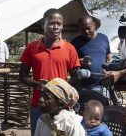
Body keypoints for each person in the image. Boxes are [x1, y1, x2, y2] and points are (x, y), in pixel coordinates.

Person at [19, 8, 80, 136]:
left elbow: (76, 77)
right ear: (43, 25)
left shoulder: (69, 48)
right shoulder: (32, 47)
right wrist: (38, 85)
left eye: (59, 23)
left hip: (61, 108)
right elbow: (22, 76)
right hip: (38, 105)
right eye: (52, 23)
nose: (56, 27)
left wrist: (59, 88)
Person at [71, 15, 111, 96]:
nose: (86, 31)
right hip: (84, 87)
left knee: (105, 108)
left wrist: (108, 67)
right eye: (83, 29)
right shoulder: (75, 42)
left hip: (103, 86)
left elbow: (108, 56)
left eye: (88, 28)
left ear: (94, 25)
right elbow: (70, 67)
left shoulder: (103, 38)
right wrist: (78, 62)